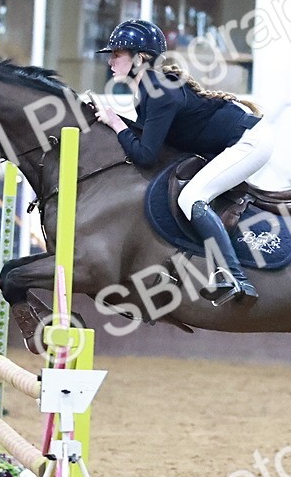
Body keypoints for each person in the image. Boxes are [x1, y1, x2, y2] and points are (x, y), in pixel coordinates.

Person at [91, 19, 270, 305]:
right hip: (235, 142)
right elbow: (147, 143)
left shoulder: (158, 90)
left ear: (140, 58)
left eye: (117, 54)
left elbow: (146, 156)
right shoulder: (149, 90)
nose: (110, 61)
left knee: (192, 197)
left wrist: (116, 124)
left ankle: (233, 275)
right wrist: (114, 122)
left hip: (248, 142)